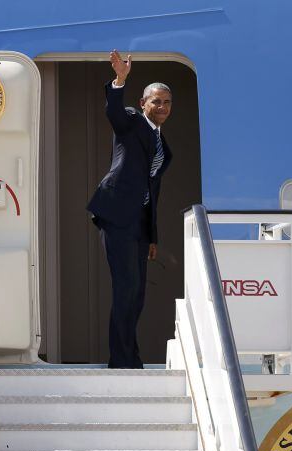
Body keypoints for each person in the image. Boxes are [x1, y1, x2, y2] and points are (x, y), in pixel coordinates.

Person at [87, 50, 173, 369]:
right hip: (117, 215)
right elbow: (114, 111)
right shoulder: (132, 123)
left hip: (138, 225)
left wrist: (152, 237)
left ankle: (130, 355)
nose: (161, 107)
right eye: (156, 101)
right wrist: (120, 80)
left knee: (137, 294)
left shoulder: (164, 146)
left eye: (166, 102)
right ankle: (121, 359)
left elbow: (155, 192)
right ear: (143, 104)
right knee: (126, 288)